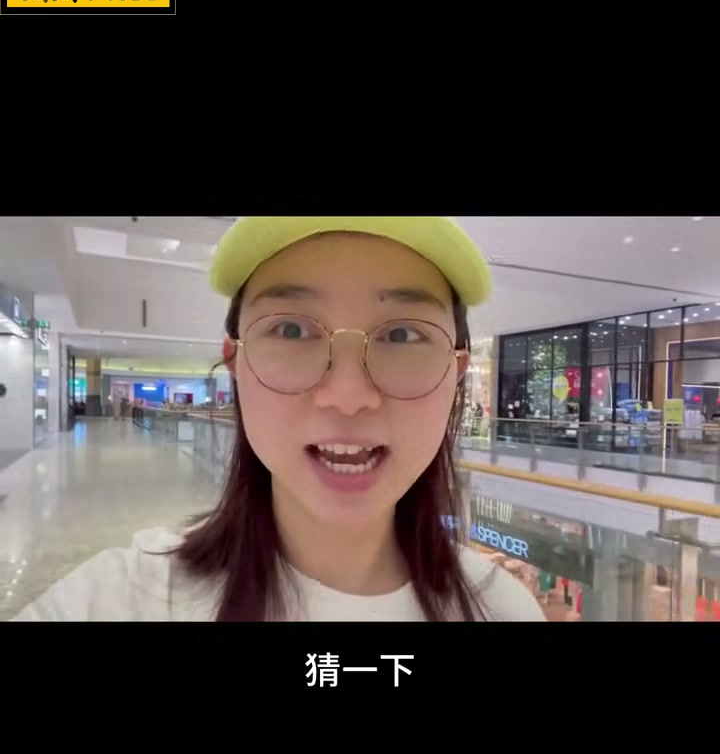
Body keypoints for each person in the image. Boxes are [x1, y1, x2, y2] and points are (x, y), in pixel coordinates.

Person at [14, 217, 545, 622]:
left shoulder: (503, 610)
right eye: (291, 330)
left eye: (402, 335)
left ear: (455, 374)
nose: (347, 398)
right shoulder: (120, 600)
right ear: (235, 363)